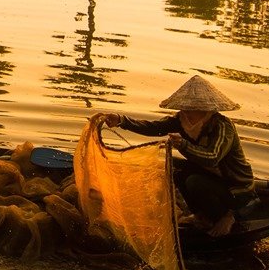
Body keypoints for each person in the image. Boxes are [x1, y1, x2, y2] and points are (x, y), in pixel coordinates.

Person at [96, 75, 253, 237]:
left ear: (204, 110)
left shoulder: (221, 126)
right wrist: (122, 121)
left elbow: (212, 157)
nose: (186, 112)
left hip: (236, 187)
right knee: (172, 165)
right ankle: (201, 215)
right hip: (210, 176)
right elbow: (154, 127)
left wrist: (184, 145)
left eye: (191, 109)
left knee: (194, 181)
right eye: (185, 108)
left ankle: (227, 216)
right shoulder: (181, 120)